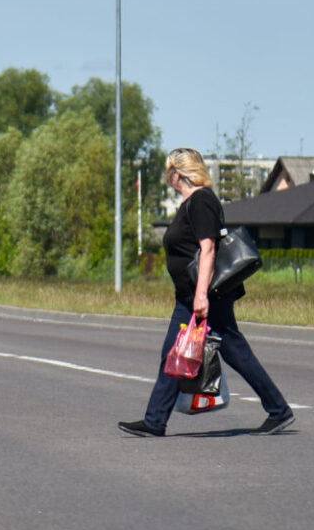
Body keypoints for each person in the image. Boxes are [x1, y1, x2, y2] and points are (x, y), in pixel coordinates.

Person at [119, 148, 297, 438]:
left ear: (178, 173)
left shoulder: (201, 200)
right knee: (174, 353)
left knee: (235, 352)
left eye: (169, 173)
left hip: (205, 298)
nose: (168, 179)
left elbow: (209, 248)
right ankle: (154, 421)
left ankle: (278, 410)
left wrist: (201, 295)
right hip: (189, 298)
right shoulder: (191, 203)